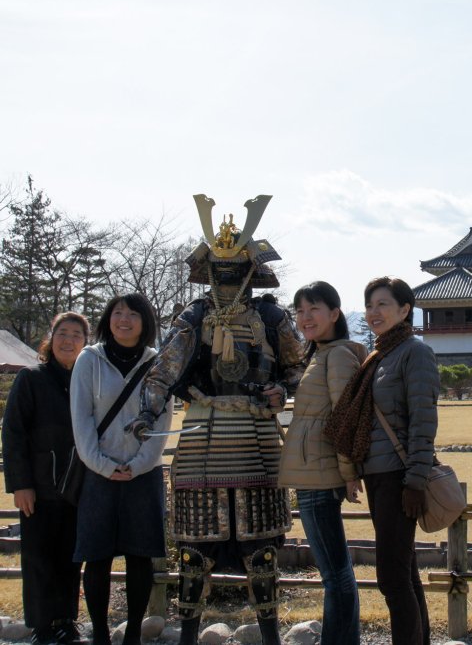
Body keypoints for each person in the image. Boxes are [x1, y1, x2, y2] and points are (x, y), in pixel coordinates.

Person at [126, 194, 305, 645]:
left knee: (261, 548)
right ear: (207, 272)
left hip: (257, 437)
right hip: (203, 431)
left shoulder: (272, 315)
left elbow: (299, 368)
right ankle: (188, 636)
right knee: (193, 548)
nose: (225, 279)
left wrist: (282, 390)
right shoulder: (194, 315)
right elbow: (164, 368)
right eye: (218, 271)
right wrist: (147, 412)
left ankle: (270, 637)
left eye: (233, 270)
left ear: (251, 270)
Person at [326, 276, 439, 645]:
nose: (374, 312)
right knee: (404, 572)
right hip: (378, 474)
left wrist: (416, 480)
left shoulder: (414, 352)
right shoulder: (380, 354)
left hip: (399, 476)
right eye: (370, 305)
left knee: (391, 577)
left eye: (383, 304)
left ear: (405, 310)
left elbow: (423, 421)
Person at [70, 293, 172, 645]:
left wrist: (139, 464)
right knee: (96, 556)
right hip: (97, 473)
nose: (123, 319)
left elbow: (163, 420)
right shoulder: (89, 360)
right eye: (117, 313)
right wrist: (102, 465)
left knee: (139, 555)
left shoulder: (157, 363)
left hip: (142, 475)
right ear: (107, 318)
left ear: (145, 321)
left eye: (132, 313)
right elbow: (81, 418)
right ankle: (100, 634)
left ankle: (132, 635)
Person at [278, 281, 366, 644]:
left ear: (334, 314)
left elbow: (344, 419)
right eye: (299, 310)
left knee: (335, 573)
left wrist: (348, 474)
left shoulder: (339, 354)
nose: (305, 317)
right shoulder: (318, 354)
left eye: (314, 309)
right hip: (313, 470)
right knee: (335, 570)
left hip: (322, 474)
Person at [2, 312, 90, 645]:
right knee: (38, 557)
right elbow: (13, 433)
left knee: (70, 558)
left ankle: (66, 620)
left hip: (77, 486)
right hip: (39, 485)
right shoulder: (32, 378)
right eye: (63, 334)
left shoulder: (85, 381)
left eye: (76, 335)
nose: (69, 341)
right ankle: (42, 625)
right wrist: (20, 483)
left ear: (85, 342)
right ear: (51, 339)